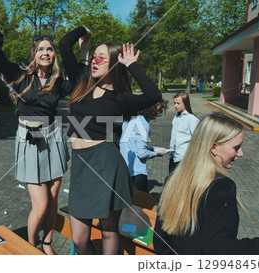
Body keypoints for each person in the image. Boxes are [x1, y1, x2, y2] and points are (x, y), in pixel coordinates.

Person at [59, 26, 162, 254]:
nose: (95, 60)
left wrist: (131, 65)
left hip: (106, 164)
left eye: (101, 58)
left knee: (108, 230)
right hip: (81, 164)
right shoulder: (81, 83)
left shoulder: (118, 99)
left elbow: (154, 96)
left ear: (114, 64)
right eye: (94, 56)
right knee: (79, 238)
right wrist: (84, 32)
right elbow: (64, 45)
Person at [0, 0, 73, 255]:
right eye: (41, 49)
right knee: (41, 204)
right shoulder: (19, 74)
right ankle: (30, 247)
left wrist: (85, 50)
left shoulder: (58, 82)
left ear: (54, 55)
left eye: (50, 49)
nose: (46, 52)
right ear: (34, 52)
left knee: (53, 198)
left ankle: (47, 243)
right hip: (29, 140)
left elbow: (82, 83)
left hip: (54, 138)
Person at [154, 113, 259, 254]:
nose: (241, 153)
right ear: (214, 147)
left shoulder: (174, 178)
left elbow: (159, 241)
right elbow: (220, 249)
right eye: (236, 147)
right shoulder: (221, 187)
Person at [120, 100, 169, 192]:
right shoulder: (143, 124)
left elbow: (131, 144)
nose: (158, 116)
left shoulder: (129, 119)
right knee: (140, 203)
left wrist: (150, 148)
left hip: (124, 167)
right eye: (158, 112)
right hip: (137, 171)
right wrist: (157, 153)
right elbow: (141, 153)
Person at [168, 92, 199, 173]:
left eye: (178, 103)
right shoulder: (176, 117)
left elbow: (197, 140)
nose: (175, 106)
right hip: (173, 156)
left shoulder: (192, 119)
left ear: (185, 103)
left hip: (183, 158)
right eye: (174, 103)